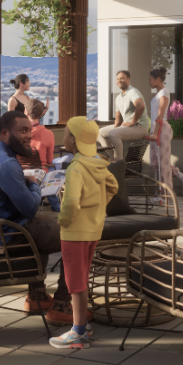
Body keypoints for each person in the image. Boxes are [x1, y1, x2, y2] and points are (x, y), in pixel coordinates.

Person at [0, 111, 80, 324]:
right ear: (5, 133)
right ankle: (62, 305)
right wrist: (35, 183)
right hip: (1, 236)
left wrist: (25, 181)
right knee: (75, 237)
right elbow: (29, 208)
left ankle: (37, 296)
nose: (29, 135)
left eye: (29, 130)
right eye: (23, 131)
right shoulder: (7, 164)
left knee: (44, 225)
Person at [49, 117, 118, 349]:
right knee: (82, 277)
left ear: (75, 141)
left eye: (67, 134)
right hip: (93, 229)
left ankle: (78, 332)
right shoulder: (98, 162)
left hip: (74, 232)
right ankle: (82, 326)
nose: (64, 138)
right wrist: (99, 204)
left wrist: (62, 220)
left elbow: (70, 203)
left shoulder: (76, 168)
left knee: (74, 282)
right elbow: (113, 187)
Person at [145, 68, 183, 196]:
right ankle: (181, 176)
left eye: (150, 79)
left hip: (161, 128)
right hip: (156, 127)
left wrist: (155, 133)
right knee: (155, 163)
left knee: (163, 165)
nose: (149, 82)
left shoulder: (164, 93)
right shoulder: (158, 93)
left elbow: (160, 115)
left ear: (158, 79)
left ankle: (166, 196)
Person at [97, 70, 150, 162]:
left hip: (140, 126)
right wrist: (117, 129)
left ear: (128, 79)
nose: (119, 80)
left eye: (122, 78)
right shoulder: (118, 98)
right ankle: (111, 159)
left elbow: (140, 106)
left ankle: (119, 163)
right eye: (117, 79)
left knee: (113, 133)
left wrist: (132, 122)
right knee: (100, 132)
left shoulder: (132, 92)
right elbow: (118, 120)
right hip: (128, 126)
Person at [27, 98, 55, 168]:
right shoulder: (49, 134)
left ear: (27, 112)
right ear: (41, 114)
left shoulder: (18, 132)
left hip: (21, 174)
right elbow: (49, 161)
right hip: (41, 174)